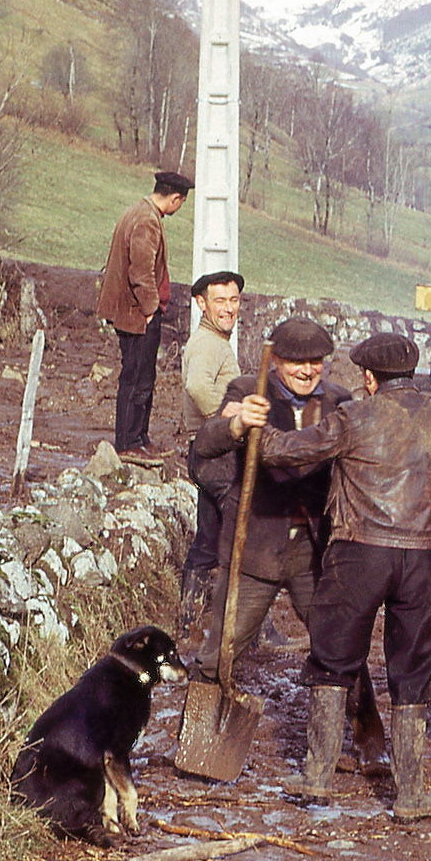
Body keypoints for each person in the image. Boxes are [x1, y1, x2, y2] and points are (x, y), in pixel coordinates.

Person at [238, 331, 431, 820]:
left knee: (333, 659)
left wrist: (256, 424)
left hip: (361, 553)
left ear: (368, 378)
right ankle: (411, 794)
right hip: (428, 558)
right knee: (413, 671)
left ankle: (317, 777)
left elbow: (283, 451)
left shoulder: (355, 416)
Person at [188, 318, 388, 775]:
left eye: (316, 362)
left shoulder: (338, 401)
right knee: (220, 648)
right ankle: (199, 741)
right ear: (276, 360)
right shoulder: (247, 390)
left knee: (339, 645)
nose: (307, 370)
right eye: (297, 361)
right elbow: (205, 445)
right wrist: (237, 423)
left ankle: (370, 740)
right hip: (254, 543)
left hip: (313, 551)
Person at [97, 171, 192, 458]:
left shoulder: (137, 211)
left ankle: (139, 437)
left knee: (141, 376)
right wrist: (150, 310)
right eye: (181, 202)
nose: (180, 207)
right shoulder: (147, 221)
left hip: (132, 312)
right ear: (175, 198)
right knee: (137, 378)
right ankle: (129, 442)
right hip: (137, 315)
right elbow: (140, 271)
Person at [178, 269, 245, 637]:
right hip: (217, 455)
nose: (228, 308)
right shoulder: (209, 344)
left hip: (206, 453)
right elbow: (196, 385)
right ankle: (253, 630)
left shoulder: (214, 341)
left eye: (233, 300)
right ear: (201, 304)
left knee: (207, 540)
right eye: (220, 300)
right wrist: (226, 419)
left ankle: (188, 624)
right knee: (245, 537)